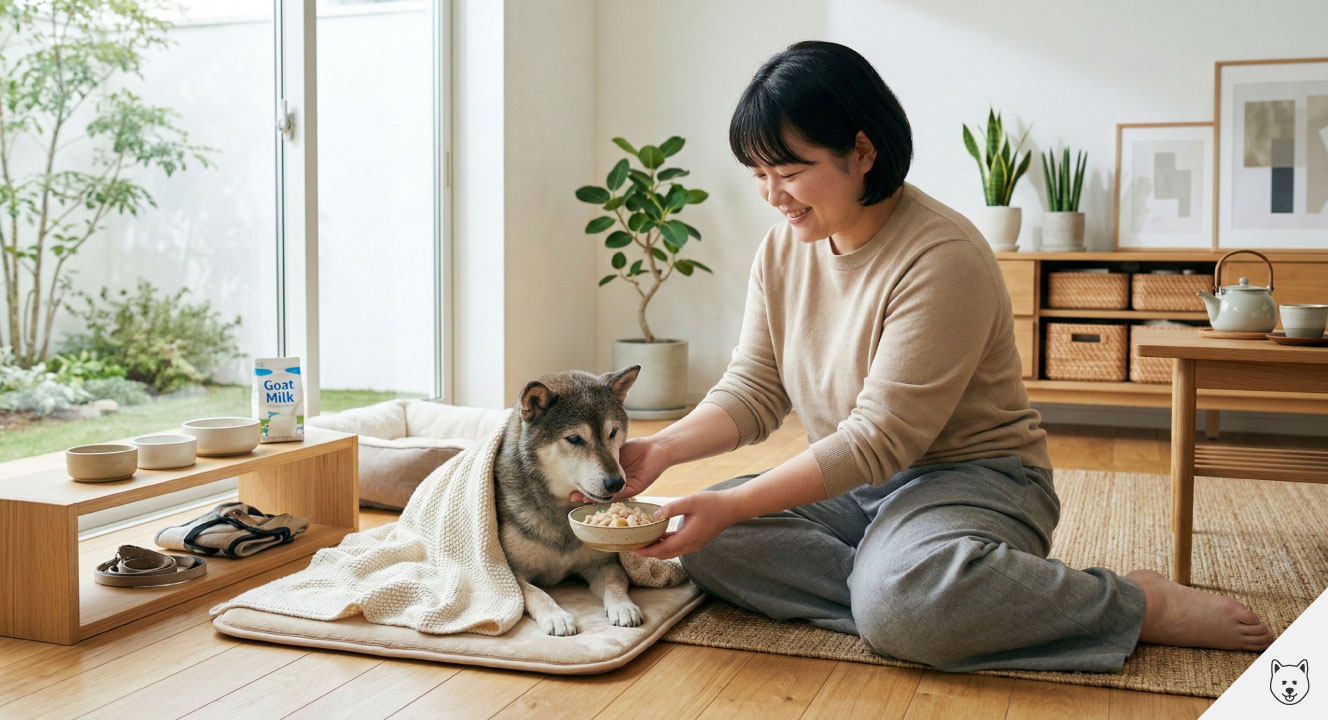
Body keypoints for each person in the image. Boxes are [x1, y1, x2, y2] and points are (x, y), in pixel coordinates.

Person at [601, 40, 1274, 673]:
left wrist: (742, 505)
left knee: (861, 581)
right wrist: (664, 449)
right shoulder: (784, 249)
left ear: (861, 151)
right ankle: (905, 590)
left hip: (975, 479)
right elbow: (753, 388)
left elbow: (878, 440)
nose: (772, 195)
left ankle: (1134, 602)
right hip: (853, 486)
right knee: (703, 535)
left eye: (789, 171)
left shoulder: (940, 255)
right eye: (758, 174)